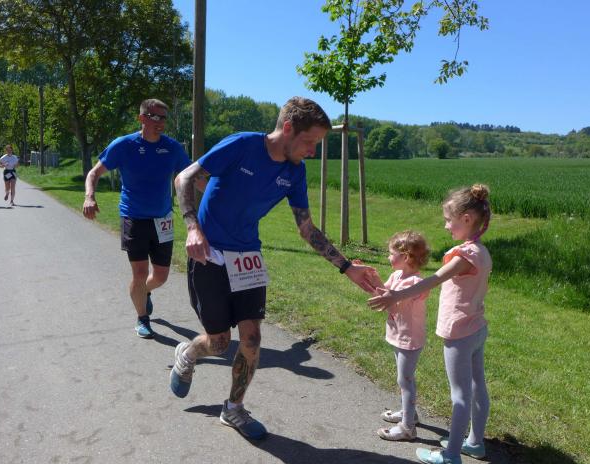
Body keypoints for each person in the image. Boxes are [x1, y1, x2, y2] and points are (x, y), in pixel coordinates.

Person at [171, 96, 377, 440]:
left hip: (247, 258)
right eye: (310, 141)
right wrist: (193, 227)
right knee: (219, 344)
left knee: (251, 338)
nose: (312, 151)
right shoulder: (243, 145)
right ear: (288, 128)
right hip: (209, 255)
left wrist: (346, 267)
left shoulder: (294, 172)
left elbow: (306, 228)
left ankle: (233, 408)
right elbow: (184, 178)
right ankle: (190, 352)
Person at [368, 184, 492, 464]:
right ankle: (475, 442)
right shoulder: (481, 251)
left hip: (459, 333)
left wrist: (396, 296)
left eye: (449, 220)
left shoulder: (464, 256)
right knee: (478, 386)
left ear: (466, 219)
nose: (446, 225)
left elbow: (433, 280)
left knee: (460, 395)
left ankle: (451, 456)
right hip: (476, 327)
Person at [82, 99, 190, 338]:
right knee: (140, 273)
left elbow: (193, 177)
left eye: (164, 118)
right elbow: (94, 173)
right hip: (133, 217)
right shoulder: (124, 145)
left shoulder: (172, 148)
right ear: (142, 118)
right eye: (155, 117)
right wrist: (89, 197)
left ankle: (144, 292)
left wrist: (222, 194)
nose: (160, 122)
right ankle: (142, 317)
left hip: (162, 219)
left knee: (160, 276)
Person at [369, 231, 431, 442]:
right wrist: (373, 278)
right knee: (403, 378)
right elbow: (384, 293)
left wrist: (378, 289)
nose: (388, 257)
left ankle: (407, 428)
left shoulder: (416, 283)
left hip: (409, 339)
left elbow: (392, 304)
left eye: (391, 253)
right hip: (398, 335)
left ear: (405, 257)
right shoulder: (397, 276)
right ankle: (409, 414)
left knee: (405, 380)